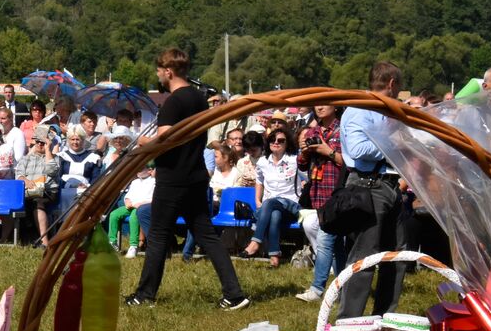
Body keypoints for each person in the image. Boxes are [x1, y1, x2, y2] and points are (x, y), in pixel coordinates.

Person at [126, 48, 248, 309]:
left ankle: (144, 295)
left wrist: (143, 141)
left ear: (168, 71)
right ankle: (235, 294)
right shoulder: (198, 99)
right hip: (195, 176)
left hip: (173, 177)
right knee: (207, 235)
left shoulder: (174, 102)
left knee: (158, 235)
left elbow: (167, 139)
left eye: (159, 71)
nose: (158, 75)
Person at [337, 61, 407, 317]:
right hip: (367, 187)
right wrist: (393, 144)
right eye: (398, 87)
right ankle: (349, 323)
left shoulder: (383, 111)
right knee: (364, 258)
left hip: (389, 186)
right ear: (391, 83)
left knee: (396, 257)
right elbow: (357, 149)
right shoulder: (359, 109)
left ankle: (385, 318)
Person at [294, 105, 345, 302]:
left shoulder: (343, 130)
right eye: (317, 104)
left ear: (336, 106)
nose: (319, 107)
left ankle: (317, 289)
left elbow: (348, 162)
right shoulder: (313, 131)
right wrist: (306, 153)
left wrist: (327, 151)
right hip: (318, 193)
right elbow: (301, 164)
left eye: (325, 103)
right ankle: (343, 287)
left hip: (337, 194)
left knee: (325, 242)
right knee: (337, 244)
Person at [242, 128, 301, 267]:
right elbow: (259, 181)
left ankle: (255, 242)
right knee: (274, 214)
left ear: (287, 143)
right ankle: (274, 256)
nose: (276, 142)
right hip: (271, 207)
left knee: (270, 203)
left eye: (281, 140)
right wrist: (257, 200)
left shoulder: (295, 160)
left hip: (291, 204)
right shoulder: (263, 162)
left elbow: (306, 177)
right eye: (273, 140)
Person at [14, 133, 59, 246]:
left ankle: (45, 242)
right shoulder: (26, 158)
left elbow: (52, 171)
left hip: (46, 192)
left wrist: (48, 150)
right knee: (16, 202)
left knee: (37, 203)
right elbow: (18, 174)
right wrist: (26, 181)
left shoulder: (55, 158)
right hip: (27, 190)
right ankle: (10, 238)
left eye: (43, 143)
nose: (40, 144)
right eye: (38, 142)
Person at [108, 164, 155, 257]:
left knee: (134, 218)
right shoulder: (135, 182)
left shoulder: (154, 182)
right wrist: (127, 200)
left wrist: (142, 203)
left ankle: (133, 245)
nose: (138, 170)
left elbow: (154, 198)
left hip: (142, 207)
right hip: (131, 205)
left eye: (141, 168)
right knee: (114, 214)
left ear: (149, 170)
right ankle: (112, 241)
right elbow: (129, 194)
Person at [56, 126, 102, 214]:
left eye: (78, 139)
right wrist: (71, 185)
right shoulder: (61, 156)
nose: (75, 142)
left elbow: (96, 178)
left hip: (85, 190)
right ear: (68, 140)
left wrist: (88, 188)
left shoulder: (93, 157)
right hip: (64, 188)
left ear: (83, 140)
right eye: (72, 139)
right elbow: (57, 177)